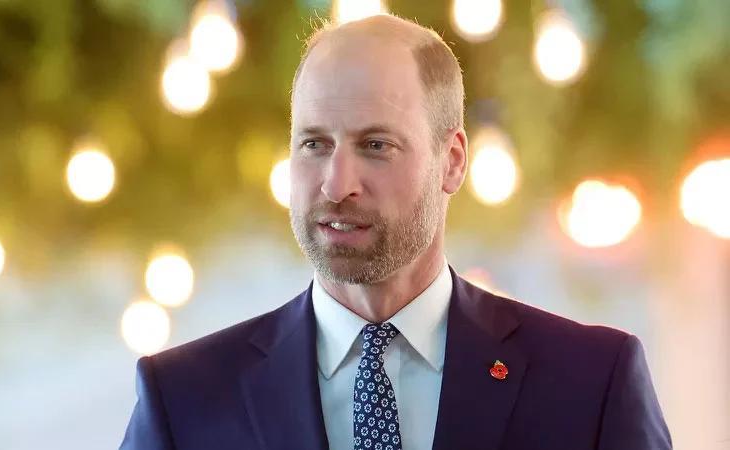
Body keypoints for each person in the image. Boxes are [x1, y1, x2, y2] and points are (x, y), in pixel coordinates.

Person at [120, 14, 672, 450]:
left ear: (452, 161)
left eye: (375, 145)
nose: (337, 184)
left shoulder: (590, 385)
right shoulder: (183, 401)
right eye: (314, 144)